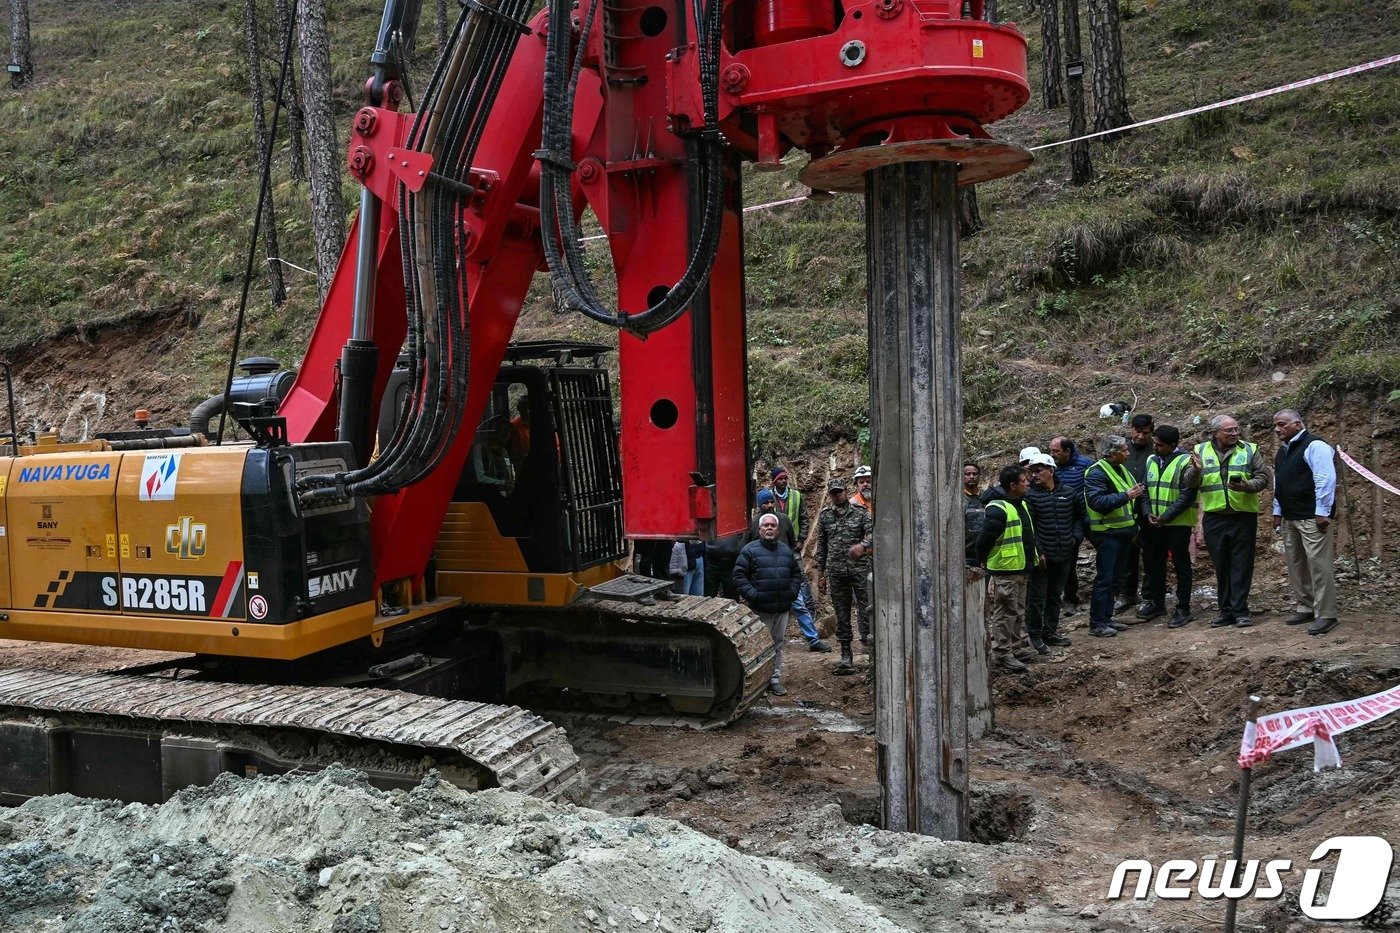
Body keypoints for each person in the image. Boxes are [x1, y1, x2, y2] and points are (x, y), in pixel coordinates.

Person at [1186, 415, 1271, 629]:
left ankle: (1240, 610)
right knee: (1221, 564)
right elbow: (1189, 483)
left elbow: (1263, 477)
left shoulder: (1250, 449)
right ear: (1216, 433)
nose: (1235, 433)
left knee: (1241, 564)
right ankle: (1225, 611)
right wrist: (1196, 470)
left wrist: (1246, 486)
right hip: (1214, 517)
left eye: (1236, 429)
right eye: (1229, 430)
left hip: (1243, 516)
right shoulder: (1200, 450)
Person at [1272, 409, 1339, 635]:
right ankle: (1306, 606)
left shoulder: (1315, 446)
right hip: (1290, 517)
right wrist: (1277, 511)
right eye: (1276, 425)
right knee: (1297, 565)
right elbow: (1278, 484)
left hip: (1312, 517)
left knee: (1319, 565)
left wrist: (1322, 512)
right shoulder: (1282, 452)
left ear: (1297, 424)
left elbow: (1325, 479)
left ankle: (1326, 613)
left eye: (1281, 424)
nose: (1277, 429)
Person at [975, 464, 1040, 672]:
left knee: (1018, 610)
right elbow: (984, 540)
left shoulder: (1021, 504)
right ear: (1012, 485)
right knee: (1005, 613)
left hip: (1021, 568)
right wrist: (981, 560)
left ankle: (1016, 646)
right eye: (1023, 481)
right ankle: (1002, 652)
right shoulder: (998, 508)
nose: (1027, 483)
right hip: (1005, 570)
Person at [733, 513, 805, 696]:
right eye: (766, 525)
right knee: (759, 647)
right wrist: (754, 595)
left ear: (778, 530)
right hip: (760, 610)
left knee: (778, 645)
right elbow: (738, 577)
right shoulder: (749, 550)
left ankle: (774, 680)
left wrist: (792, 592)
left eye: (773, 525)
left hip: (782, 609)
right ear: (759, 529)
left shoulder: (786, 550)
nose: (769, 528)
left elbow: (797, 574)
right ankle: (758, 683)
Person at [749, 489, 830, 651]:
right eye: (765, 503)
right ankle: (764, 647)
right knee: (763, 614)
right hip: (764, 579)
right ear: (759, 505)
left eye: (771, 501)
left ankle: (813, 640)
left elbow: (792, 544)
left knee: (799, 605)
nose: (770, 505)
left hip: (785, 574)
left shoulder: (784, 520)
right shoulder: (754, 524)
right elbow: (747, 549)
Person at [1084, 435, 1145, 638]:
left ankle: (1107, 617)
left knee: (1116, 579)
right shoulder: (1096, 473)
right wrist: (1126, 496)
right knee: (1105, 579)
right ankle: (1097, 622)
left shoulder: (1121, 469)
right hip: (1107, 533)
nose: (1128, 453)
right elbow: (1097, 501)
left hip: (1123, 533)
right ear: (1112, 453)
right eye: (1124, 450)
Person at [1140, 425, 1198, 627]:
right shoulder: (1151, 460)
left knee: (1181, 566)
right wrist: (1147, 513)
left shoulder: (1185, 462)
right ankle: (1157, 603)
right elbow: (1145, 489)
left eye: (1159, 445)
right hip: (1155, 523)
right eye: (1154, 444)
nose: (1154, 448)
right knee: (1155, 564)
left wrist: (1166, 516)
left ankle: (1183, 608)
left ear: (1172, 445)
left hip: (1177, 524)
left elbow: (1188, 494)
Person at [816, 479, 873, 674]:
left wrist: (863, 545)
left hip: (860, 571)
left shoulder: (860, 513)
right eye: (833, 493)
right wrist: (820, 574)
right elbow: (821, 546)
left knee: (867, 610)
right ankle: (846, 654)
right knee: (842, 614)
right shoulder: (825, 517)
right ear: (830, 494)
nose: (837, 495)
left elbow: (875, 533)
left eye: (839, 492)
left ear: (846, 491)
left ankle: (870, 650)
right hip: (837, 572)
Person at [1024, 453, 1078, 652]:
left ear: (1051, 471)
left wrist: (1075, 537)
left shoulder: (1069, 493)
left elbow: (1079, 518)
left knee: (1055, 595)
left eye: (1038, 471)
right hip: (1042, 556)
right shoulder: (1029, 496)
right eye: (1031, 471)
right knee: (1037, 597)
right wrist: (1039, 551)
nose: (1034, 475)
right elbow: (1030, 527)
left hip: (1064, 552)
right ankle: (1035, 634)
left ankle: (1050, 631)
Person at [1115, 413, 1155, 615]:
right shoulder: (1122, 450)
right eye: (1137, 432)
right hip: (1125, 509)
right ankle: (1127, 593)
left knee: (1150, 554)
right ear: (1131, 429)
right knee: (1127, 555)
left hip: (1150, 511)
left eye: (1145, 433)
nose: (1140, 436)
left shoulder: (1156, 450)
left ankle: (1149, 595)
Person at [1049, 435, 1094, 613]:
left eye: (1056, 452)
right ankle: (1070, 598)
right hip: (1067, 520)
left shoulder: (1086, 465)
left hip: (1088, 517)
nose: (1052, 455)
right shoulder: (1052, 468)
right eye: (1051, 451)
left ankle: (1116, 592)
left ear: (1067, 451)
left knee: (1107, 551)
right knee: (1069, 560)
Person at [963, 462, 986, 566]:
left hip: (986, 554)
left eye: (974, 474)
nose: (971, 477)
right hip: (966, 556)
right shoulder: (958, 500)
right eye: (967, 474)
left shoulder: (987, 497)